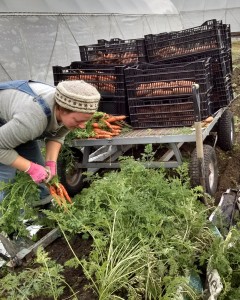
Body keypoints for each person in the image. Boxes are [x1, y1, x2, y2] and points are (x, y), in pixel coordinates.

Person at [0, 80, 101, 203]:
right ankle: (5, 218)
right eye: (78, 121)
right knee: (5, 179)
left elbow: (57, 136)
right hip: (10, 123)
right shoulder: (33, 120)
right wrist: (30, 168)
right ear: (62, 110)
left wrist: (50, 163)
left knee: (44, 176)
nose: (83, 126)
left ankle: (44, 213)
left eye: (86, 121)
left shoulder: (68, 107)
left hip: (18, 124)